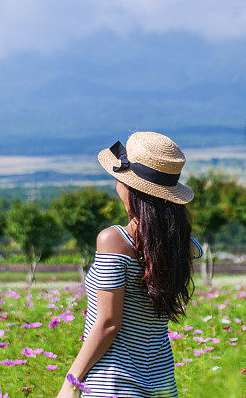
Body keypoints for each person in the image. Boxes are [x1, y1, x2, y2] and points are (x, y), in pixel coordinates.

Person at [57, 131, 203, 398]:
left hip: (113, 385)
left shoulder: (113, 240)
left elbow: (108, 324)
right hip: (162, 385)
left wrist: (72, 382)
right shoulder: (181, 244)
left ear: (130, 187)